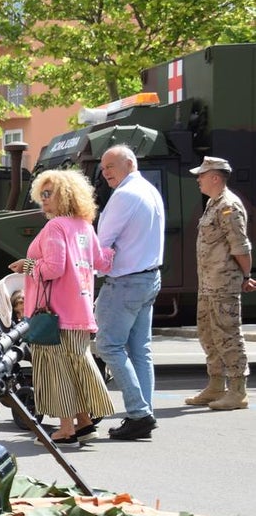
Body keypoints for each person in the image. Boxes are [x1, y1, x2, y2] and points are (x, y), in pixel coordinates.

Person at [8, 170, 115, 444]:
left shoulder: (56, 227)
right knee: (75, 366)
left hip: (53, 313)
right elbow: (102, 262)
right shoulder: (84, 226)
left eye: (47, 194)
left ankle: (66, 429)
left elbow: (54, 268)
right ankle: (84, 422)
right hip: (79, 311)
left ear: (64, 195)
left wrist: (27, 265)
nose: (42, 200)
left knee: (56, 370)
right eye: (40, 195)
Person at [93, 145, 165, 441]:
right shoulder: (148, 190)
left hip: (125, 282)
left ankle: (139, 413)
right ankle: (144, 412)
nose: (105, 171)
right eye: (103, 167)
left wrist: (89, 273)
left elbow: (102, 243)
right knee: (140, 350)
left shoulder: (124, 195)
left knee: (108, 346)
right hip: (148, 278)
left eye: (111, 165)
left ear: (130, 163)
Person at [184, 156, 254, 411]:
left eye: (201, 175)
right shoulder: (213, 204)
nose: (198, 180)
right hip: (209, 283)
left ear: (215, 177)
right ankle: (216, 385)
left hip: (223, 284)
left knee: (228, 334)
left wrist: (246, 276)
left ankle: (237, 390)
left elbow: (240, 245)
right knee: (209, 334)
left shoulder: (229, 206)